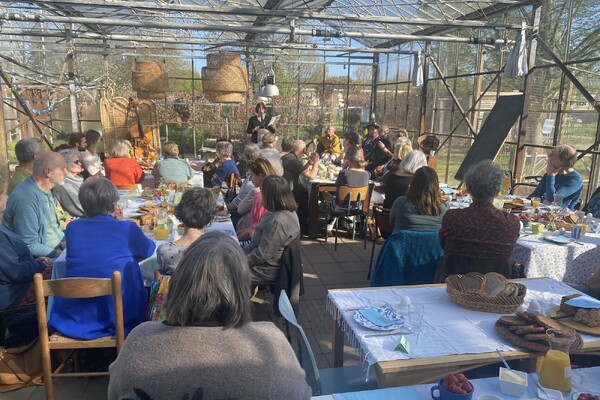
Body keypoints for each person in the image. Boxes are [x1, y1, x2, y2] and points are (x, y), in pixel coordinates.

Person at [108, 232, 311, 400]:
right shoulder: (270, 342)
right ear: (242, 289)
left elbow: (114, 394)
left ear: (179, 283)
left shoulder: (139, 342)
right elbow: (303, 394)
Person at [49, 178, 155, 339]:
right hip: (119, 313)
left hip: (76, 314)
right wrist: (123, 223)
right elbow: (148, 250)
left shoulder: (73, 228)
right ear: (114, 203)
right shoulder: (126, 228)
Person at [437, 160, 520, 279]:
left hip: (456, 285)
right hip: (495, 290)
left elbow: (443, 245)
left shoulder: (452, 218)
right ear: (497, 191)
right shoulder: (511, 223)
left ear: (469, 189)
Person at [0, 177, 53, 310]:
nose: (6, 197)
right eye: (3, 194)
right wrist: (40, 264)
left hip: (15, 285)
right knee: (62, 281)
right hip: (13, 293)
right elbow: (15, 271)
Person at [3, 151, 66, 258]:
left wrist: (65, 243)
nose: (66, 172)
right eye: (63, 168)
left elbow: (54, 228)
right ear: (48, 172)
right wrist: (63, 255)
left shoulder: (45, 189)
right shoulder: (26, 198)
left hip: (57, 247)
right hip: (41, 260)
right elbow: (29, 245)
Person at [246, 176, 300, 283]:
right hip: (263, 263)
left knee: (220, 272)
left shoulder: (277, 222)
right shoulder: (287, 212)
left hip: (265, 269)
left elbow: (261, 255)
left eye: (262, 191)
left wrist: (236, 261)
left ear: (269, 196)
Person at [157, 187, 216, 274]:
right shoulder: (217, 251)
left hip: (177, 287)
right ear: (210, 217)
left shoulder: (164, 251)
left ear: (180, 212)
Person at [390, 166, 447, 232]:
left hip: (403, 241)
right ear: (436, 185)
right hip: (432, 242)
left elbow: (391, 223)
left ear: (413, 182)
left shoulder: (400, 202)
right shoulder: (444, 207)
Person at [281, 140, 319, 231]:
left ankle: (301, 223)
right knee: (306, 196)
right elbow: (311, 176)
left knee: (303, 193)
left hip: (282, 187)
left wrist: (310, 162)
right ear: (304, 150)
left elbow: (301, 171)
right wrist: (316, 162)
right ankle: (303, 225)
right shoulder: (293, 160)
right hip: (287, 192)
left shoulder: (289, 157)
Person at [529, 144, 582, 209]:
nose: (549, 156)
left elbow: (552, 198)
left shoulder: (575, 180)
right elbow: (534, 195)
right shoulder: (549, 174)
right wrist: (544, 200)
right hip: (542, 211)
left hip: (562, 215)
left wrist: (551, 175)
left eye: (553, 154)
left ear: (562, 161)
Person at [236, 158, 278, 241]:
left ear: (261, 175)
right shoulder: (273, 191)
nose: (250, 179)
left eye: (252, 176)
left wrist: (236, 239)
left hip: (256, 243)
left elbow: (252, 232)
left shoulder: (260, 196)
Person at [52, 149, 85, 218]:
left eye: (80, 161)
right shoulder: (62, 185)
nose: (80, 164)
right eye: (76, 162)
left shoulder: (79, 180)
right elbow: (80, 209)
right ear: (65, 165)